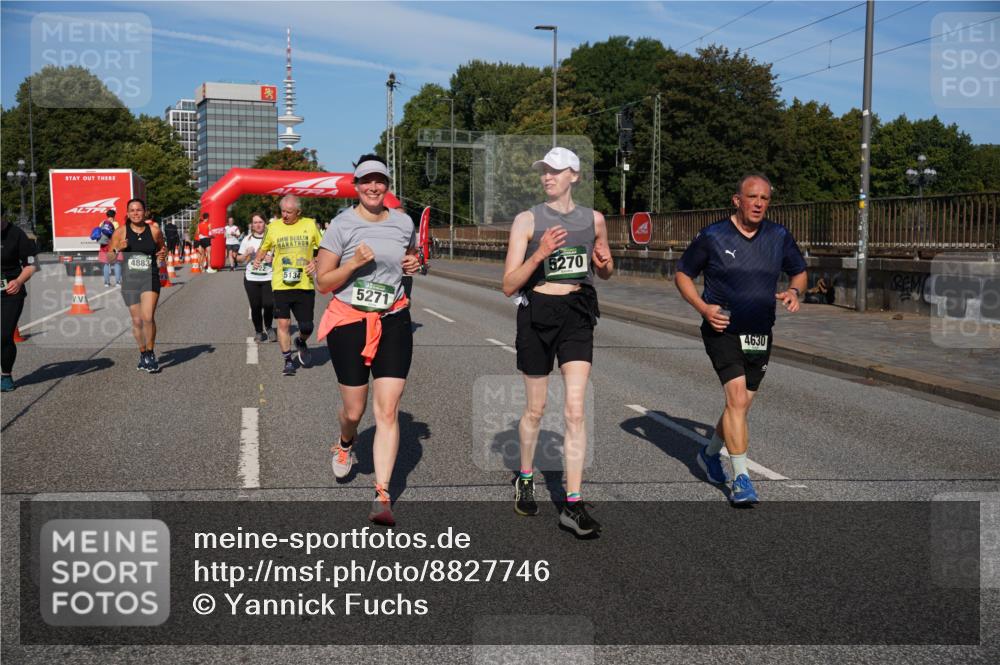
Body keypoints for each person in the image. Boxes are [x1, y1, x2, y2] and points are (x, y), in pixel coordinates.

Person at [501, 147, 613, 537]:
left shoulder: (594, 220)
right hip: (537, 314)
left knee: (576, 411)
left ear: (574, 176)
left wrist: (605, 264)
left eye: (555, 171)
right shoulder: (526, 220)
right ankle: (526, 477)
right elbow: (508, 284)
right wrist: (540, 254)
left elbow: (607, 267)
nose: (547, 177)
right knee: (536, 409)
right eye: (543, 171)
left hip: (578, 313)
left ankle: (573, 502)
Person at [675, 173, 807, 505]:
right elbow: (682, 274)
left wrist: (794, 291)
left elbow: (800, 272)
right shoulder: (713, 235)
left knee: (741, 406)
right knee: (736, 400)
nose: (759, 204)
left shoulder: (778, 236)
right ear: (738, 200)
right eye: (753, 197)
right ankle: (741, 479)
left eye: (765, 198)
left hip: (760, 332)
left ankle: (709, 453)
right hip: (722, 329)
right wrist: (704, 308)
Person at [315, 154, 420, 526]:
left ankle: (382, 494)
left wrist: (415, 263)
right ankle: (346, 443)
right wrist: (354, 264)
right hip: (349, 321)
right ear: (356, 187)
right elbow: (323, 282)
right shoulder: (341, 226)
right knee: (355, 412)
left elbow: (412, 258)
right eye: (366, 181)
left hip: (392, 318)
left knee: (387, 410)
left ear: (387, 185)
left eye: (380, 181)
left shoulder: (404, 223)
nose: (374, 187)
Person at [252, 194, 322, 377]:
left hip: (304, 283)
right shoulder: (273, 227)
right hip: (280, 284)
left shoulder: (309, 224)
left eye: (289, 212)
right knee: (283, 323)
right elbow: (264, 247)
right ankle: (288, 361)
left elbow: (325, 248)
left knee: (307, 326)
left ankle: (300, 341)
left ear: (298, 212)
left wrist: (316, 261)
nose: (284, 215)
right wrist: (258, 259)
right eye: (282, 211)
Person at [108, 198, 167, 373]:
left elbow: (163, 249)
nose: (135, 213)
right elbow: (107, 259)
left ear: (144, 212)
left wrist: (162, 255)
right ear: (127, 213)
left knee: (147, 317)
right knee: (137, 320)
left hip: (150, 277)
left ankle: (150, 353)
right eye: (132, 210)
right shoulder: (120, 232)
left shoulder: (154, 231)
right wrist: (118, 248)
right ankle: (142, 353)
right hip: (130, 280)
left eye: (139, 210)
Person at [1, 218, 38, 392]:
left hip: (10, 293)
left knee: (4, 335)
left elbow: (31, 265)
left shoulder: (17, 235)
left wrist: (18, 281)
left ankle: (6, 376)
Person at [238, 213, 275, 342]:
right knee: (256, 306)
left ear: (265, 223)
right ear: (252, 225)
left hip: (269, 278)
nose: (258, 225)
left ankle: (269, 327)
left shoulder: (272, 238)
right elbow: (239, 260)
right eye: (255, 222)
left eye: (260, 222)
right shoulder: (247, 239)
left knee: (269, 304)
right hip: (251, 279)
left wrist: (273, 258)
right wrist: (246, 254)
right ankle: (259, 331)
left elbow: (282, 258)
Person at [98, 209, 121, 287]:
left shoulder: (102, 223)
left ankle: (106, 283)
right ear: (114, 216)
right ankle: (118, 282)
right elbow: (117, 234)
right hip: (113, 246)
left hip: (104, 246)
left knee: (106, 264)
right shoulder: (115, 223)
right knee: (117, 263)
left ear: (107, 215)